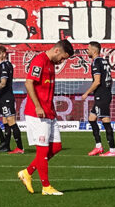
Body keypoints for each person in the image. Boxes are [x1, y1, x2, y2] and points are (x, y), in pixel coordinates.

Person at [17, 39, 74, 196]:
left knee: (56, 147)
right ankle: (46, 187)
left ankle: (27, 172)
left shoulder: (51, 64)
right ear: (57, 51)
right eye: (63, 58)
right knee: (42, 151)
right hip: (38, 113)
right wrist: (37, 106)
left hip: (49, 111)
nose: (62, 61)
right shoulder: (39, 60)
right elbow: (29, 83)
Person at [79, 41, 115, 157]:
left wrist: (86, 93)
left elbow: (97, 81)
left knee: (105, 121)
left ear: (94, 51)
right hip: (104, 93)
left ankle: (112, 150)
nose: (87, 51)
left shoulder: (96, 62)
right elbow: (110, 79)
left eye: (88, 49)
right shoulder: (104, 61)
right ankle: (98, 147)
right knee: (92, 118)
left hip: (102, 95)